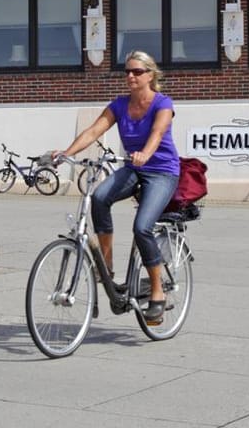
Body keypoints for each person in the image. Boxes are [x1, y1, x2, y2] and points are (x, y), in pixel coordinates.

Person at [56, 50, 179, 326]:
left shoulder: (163, 103)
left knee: (142, 227)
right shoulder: (120, 105)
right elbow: (93, 131)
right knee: (99, 197)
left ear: (150, 75)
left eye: (137, 72)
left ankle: (157, 291)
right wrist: (66, 153)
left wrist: (146, 153)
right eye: (127, 72)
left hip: (161, 172)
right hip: (133, 168)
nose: (131, 76)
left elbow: (158, 133)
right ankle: (107, 266)